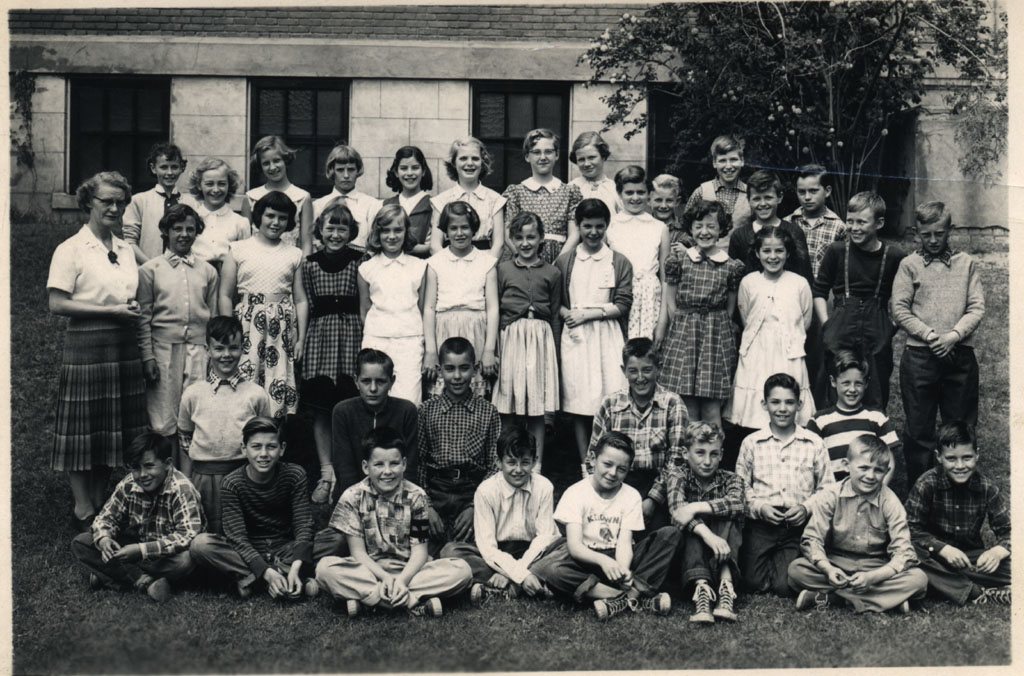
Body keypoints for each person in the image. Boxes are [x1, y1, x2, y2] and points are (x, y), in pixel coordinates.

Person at [48, 170, 147, 528]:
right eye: (107, 201)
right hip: (87, 343)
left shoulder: (125, 249)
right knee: (83, 427)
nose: (115, 208)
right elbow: (57, 304)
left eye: (121, 202)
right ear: (89, 201)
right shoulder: (71, 248)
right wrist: (111, 311)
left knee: (112, 425)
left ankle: (102, 499)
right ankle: (82, 507)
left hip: (123, 344)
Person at [315, 428, 473, 617]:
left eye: (394, 464)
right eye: (379, 465)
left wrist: (401, 581)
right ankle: (411, 602)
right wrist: (385, 577)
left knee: (462, 570)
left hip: (411, 570)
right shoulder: (352, 496)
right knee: (325, 569)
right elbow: (357, 552)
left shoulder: (417, 497)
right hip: (369, 570)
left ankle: (370, 601)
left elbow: (420, 552)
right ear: (366, 467)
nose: (387, 472)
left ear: (404, 464)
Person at [530, 432, 676, 620]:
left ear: (628, 469)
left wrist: (622, 570)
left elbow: (624, 543)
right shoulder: (575, 493)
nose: (613, 473)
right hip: (586, 559)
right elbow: (575, 547)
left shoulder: (631, 496)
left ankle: (623, 592)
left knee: (669, 535)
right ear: (592, 459)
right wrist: (603, 561)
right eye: (607, 464)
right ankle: (628, 597)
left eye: (621, 469)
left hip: (617, 557)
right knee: (549, 568)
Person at [892, 201, 985, 488]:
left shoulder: (966, 264)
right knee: (919, 429)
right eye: (926, 234)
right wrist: (931, 336)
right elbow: (900, 308)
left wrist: (953, 336)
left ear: (950, 231)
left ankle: (957, 488)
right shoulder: (909, 265)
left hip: (959, 356)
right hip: (920, 356)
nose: (932, 240)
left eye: (939, 234)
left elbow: (976, 307)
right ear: (917, 232)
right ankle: (922, 491)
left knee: (959, 425)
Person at [788, 434, 928, 613]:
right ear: (846, 465)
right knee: (796, 570)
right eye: (863, 468)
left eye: (878, 470)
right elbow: (812, 539)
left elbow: (904, 552)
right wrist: (828, 569)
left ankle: (833, 599)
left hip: (875, 565)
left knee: (918, 579)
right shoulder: (831, 495)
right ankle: (889, 600)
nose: (870, 476)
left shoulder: (890, 502)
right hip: (837, 562)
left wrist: (873, 577)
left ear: (886, 472)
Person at [190, 417, 317, 600]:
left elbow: (303, 525)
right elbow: (237, 538)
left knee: (336, 539)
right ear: (244, 449)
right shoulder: (232, 483)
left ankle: (257, 580)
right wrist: (268, 572)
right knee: (201, 545)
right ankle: (280, 578)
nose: (263, 454)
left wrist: (295, 565)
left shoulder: (295, 475)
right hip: (247, 552)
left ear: (282, 449)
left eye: (271, 447)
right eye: (256, 446)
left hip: (286, 547)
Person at [71, 432, 205, 603]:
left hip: (167, 555)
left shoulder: (182, 488)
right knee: (81, 542)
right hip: (138, 550)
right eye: (136, 467)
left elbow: (188, 536)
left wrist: (141, 550)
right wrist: (105, 539)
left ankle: (111, 576)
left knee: (186, 561)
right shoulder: (129, 484)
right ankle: (144, 581)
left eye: (149, 466)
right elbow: (105, 518)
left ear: (168, 464)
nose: (142, 474)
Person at [136, 203, 219, 473]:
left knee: (193, 412)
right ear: (165, 231)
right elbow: (144, 317)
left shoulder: (207, 271)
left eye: (190, 229)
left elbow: (214, 316)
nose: (184, 234)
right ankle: (166, 476)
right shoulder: (150, 270)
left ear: (197, 233)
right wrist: (148, 356)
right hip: (163, 350)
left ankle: (189, 478)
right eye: (177, 228)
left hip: (198, 350)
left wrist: (212, 355)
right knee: (163, 418)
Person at [734, 373, 834, 597]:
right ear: (764, 404)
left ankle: (783, 569)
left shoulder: (814, 443)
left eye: (789, 402)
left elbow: (827, 488)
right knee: (750, 581)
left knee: (784, 585)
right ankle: (767, 566)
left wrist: (806, 508)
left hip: (796, 523)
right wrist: (759, 508)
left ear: (799, 404)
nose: (782, 409)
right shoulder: (752, 443)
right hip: (761, 522)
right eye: (775, 402)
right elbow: (740, 487)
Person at [315, 349, 419, 560]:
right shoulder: (343, 411)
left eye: (380, 381)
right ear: (356, 381)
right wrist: (367, 518)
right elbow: (345, 472)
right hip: (354, 504)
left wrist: (392, 513)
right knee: (333, 544)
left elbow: (411, 468)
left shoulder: (406, 411)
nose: (373, 389)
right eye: (366, 381)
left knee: (419, 545)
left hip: (396, 504)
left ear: (392, 381)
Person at [556, 198, 633, 474]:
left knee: (609, 397)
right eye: (587, 226)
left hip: (607, 335)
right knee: (580, 403)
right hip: (576, 337)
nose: (593, 232)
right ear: (578, 226)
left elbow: (623, 304)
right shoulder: (566, 261)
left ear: (606, 226)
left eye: (599, 226)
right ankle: (586, 464)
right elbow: (556, 302)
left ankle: (610, 461)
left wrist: (588, 314)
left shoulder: (618, 260)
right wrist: (568, 314)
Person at [440, 425, 557, 602]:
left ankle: (505, 588)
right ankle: (532, 583)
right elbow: (487, 547)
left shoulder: (544, 487)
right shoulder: (486, 491)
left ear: (535, 461)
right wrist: (520, 574)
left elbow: (543, 539)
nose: (518, 470)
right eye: (511, 462)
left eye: (525, 462)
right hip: (495, 553)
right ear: (498, 462)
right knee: (451, 551)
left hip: (534, 552)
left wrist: (513, 573)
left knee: (564, 547)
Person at [218, 190, 308, 420]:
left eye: (282, 217)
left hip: (281, 330)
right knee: (245, 381)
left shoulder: (294, 254)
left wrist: (300, 339)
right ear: (259, 216)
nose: (275, 222)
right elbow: (226, 295)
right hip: (247, 327)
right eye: (270, 216)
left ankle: (272, 442)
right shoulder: (238, 249)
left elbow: (300, 299)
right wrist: (229, 332)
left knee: (277, 384)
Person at [178, 316, 272, 534]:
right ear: (207, 350)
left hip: (244, 476)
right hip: (204, 477)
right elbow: (184, 437)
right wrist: (188, 479)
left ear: (242, 348)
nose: (226, 355)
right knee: (204, 533)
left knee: (243, 533)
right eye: (219, 348)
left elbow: (265, 438)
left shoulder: (256, 394)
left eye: (233, 348)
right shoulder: (193, 393)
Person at [813, 191, 906, 410]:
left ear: (879, 223)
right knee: (837, 387)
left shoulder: (894, 256)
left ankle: (873, 436)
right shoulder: (837, 251)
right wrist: (827, 324)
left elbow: (910, 295)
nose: (854, 228)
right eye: (850, 221)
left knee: (875, 389)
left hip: (877, 331)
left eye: (862, 222)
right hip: (840, 329)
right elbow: (819, 291)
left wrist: (893, 325)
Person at [656, 199, 743, 430]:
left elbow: (730, 308)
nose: (704, 232)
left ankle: (713, 459)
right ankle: (689, 459)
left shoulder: (730, 266)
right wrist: (684, 328)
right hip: (685, 334)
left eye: (711, 226)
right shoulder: (678, 261)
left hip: (716, 338)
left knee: (711, 407)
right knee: (688, 404)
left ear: (721, 229)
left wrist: (713, 327)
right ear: (690, 229)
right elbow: (671, 303)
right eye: (698, 226)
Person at [586, 337, 687, 532]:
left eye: (647, 370)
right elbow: (593, 456)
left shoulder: (672, 404)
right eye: (633, 371)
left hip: (658, 486)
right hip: (616, 482)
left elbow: (677, 460)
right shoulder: (610, 404)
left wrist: (653, 499)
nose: (640, 378)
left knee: (663, 536)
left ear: (659, 368)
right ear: (624, 371)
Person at [300, 200, 365, 504]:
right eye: (330, 227)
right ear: (320, 230)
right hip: (321, 338)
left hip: (352, 335)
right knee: (321, 409)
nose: (336, 234)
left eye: (342, 227)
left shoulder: (360, 260)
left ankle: (349, 473)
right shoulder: (309, 263)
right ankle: (326, 473)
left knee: (351, 405)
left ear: (351, 231)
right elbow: (308, 303)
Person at [905, 421, 1010, 606]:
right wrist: (942, 549)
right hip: (934, 558)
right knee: (912, 556)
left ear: (977, 454)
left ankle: (945, 585)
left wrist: (997, 552)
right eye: (951, 459)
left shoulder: (987, 488)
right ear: (939, 457)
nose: (960, 466)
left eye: (967, 457)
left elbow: (1011, 531)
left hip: (970, 559)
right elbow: (910, 529)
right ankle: (974, 591)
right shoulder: (926, 484)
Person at [417, 337, 501, 555]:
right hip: (436, 490)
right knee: (415, 549)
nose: (457, 376)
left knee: (474, 548)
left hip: (471, 491)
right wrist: (426, 505)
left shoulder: (488, 412)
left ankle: (467, 564)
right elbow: (418, 462)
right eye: (450, 369)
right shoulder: (426, 410)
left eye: (464, 369)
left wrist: (476, 506)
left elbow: (494, 464)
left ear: (474, 370)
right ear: (439, 370)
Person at [725, 226, 814, 431]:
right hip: (757, 351)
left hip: (788, 352)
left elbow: (805, 321)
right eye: (766, 251)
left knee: (786, 396)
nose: (772, 257)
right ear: (757, 253)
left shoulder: (799, 283)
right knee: (755, 408)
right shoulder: (749, 282)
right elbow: (746, 316)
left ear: (788, 253)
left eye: (779, 251)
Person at [492, 212, 562, 471]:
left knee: (536, 407)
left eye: (531, 237)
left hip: (540, 340)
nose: (525, 243)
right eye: (519, 238)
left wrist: (554, 351)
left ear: (541, 238)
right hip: (511, 338)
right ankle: (507, 460)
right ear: (511, 239)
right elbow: (497, 310)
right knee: (508, 404)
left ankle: (536, 462)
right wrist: (496, 348)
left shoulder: (552, 273)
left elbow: (555, 315)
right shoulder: (503, 270)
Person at [667, 422, 744, 624]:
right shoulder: (678, 475)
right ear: (685, 453)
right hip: (693, 552)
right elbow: (676, 511)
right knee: (691, 527)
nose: (707, 461)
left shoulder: (731, 479)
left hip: (725, 545)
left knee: (729, 518)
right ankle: (702, 590)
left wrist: (694, 507)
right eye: (700, 453)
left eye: (714, 454)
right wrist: (707, 535)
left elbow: (737, 503)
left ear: (721, 454)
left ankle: (726, 589)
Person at [423, 201, 499, 399]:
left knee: (474, 394)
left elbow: (492, 308)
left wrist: (489, 349)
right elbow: (429, 308)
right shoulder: (435, 263)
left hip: (476, 331)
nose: (459, 233)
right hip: (444, 330)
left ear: (474, 229)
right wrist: (431, 350)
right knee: (443, 393)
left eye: (464, 227)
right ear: (445, 232)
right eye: (453, 228)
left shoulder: (487, 262)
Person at [786, 163, 845, 408]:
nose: (807, 197)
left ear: (827, 191)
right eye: (802, 192)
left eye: (813, 191)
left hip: (824, 298)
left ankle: (821, 409)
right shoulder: (788, 222)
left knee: (821, 356)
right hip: (791, 299)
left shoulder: (839, 227)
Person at [357, 204, 429, 405]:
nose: (391, 236)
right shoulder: (367, 268)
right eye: (385, 230)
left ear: (406, 232)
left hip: (410, 341)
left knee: (408, 398)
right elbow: (364, 310)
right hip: (376, 339)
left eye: (397, 230)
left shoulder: (420, 267)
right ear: (377, 233)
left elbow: (423, 309)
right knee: (375, 397)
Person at [807, 351, 902, 490]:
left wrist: (877, 490)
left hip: (869, 490)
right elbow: (810, 462)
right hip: (831, 494)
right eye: (846, 383)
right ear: (833, 381)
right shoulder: (819, 420)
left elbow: (890, 461)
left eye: (858, 383)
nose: (852, 389)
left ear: (866, 383)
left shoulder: (877, 418)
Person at [606, 165, 669, 340]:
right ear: (619, 194)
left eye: (640, 192)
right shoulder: (610, 227)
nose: (635, 197)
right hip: (619, 297)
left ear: (648, 194)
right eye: (629, 192)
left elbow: (666, 278)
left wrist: (663, 321)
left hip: (650, 301)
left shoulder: (659, 228)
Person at [503, 128, 584, 263]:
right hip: (524, 260)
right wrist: (525, 259)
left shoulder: (569, 192)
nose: (543, 157)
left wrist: (558, 264)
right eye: (536, 152)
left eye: (548, 152)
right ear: (527, 156)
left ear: (557, 155)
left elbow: (574, 234)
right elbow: (508, 232)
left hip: (561, 259)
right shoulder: (516, 193)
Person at [726, 169, 812, 283]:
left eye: (768, 197)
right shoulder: (739, 236)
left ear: (779, 197)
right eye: (756, 199)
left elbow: (805, 276)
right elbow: (733, 279)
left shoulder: (794, 232)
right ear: (749, 200)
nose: (762, 204)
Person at [430, 136, 507, 258]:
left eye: (475, 159)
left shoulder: (495, 200)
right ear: (454, 163)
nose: (469, 163)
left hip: (484, 264)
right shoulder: (441, 200)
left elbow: (498, 245)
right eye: (463, 158)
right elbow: (435, 245)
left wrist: (484, 269)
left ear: (483, 162)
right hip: (450, 264)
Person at [242, 136, 313, 255]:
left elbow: (306, 243)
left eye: (276, 160)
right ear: (260, 166)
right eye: (266, 163)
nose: (272, 167)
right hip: (257, 261)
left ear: (285, 159)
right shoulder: (251, 197)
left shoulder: (302, 197)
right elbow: (245, 240)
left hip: (289, 262)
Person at [122, 142, 187, 263]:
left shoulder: (191, 202)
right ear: (153, 168)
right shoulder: (139, 201)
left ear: (181, 168)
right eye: (163, 167)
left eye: (174, 167)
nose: (169, 173)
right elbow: (129, 241)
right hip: (148, 270)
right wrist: (150, 266)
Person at [312, 144, 382, 251]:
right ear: (332, 171)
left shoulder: (372, 205)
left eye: (351, 169)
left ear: (357, 170)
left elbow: (375, 242)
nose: (346, 175)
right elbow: (314, 243)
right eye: (340, 170)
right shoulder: (318, 205)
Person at [185, 157, 251, 269]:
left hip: (228, 279)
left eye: (221, 184)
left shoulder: (240, 222)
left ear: (229, 185)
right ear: (199, 185)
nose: (216, 190)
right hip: (194, 276)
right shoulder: (189, 219)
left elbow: (245, 260)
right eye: (209, 184)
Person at [682, 134, 749, 228]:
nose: (728, 166)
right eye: (722, 161)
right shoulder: (701, 192)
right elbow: (686, 227)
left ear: (742, 161)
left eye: (733, 160)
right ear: (714, 163)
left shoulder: (750, 193)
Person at [382, 145, 433, 257]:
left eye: (415, 168)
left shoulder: (433, 205)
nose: (409, 173)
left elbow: (433, 246)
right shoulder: (385, 205)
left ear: (423, 171)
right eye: (404, 168)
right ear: (396, 172)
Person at [567, 130, 621, 217]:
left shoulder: (615, 189)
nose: (587, 164)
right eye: (581, 159)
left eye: (591, 157)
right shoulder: (571, 188)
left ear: (603, 156)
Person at [650, 173, 691, 254]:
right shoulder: (642, 226)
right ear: (649, 200)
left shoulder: (685, 229)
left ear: (677, 201)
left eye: (669, 200)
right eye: (658, 200)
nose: (663, 206)